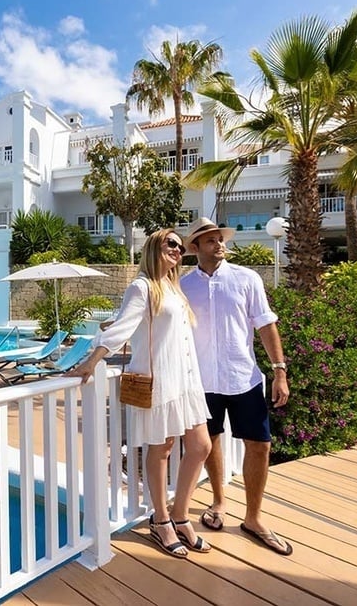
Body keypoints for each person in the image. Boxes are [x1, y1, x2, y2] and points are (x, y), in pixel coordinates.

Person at [71, 228, 212, 559]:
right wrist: (91, 361)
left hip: (187, 382)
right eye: (171, 244)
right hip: (160, 380)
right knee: (161, 450)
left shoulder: (174, 289)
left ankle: (179, 513)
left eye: (181, 247)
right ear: (154, 248)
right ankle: (161, 520)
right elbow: (122, 327)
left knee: (201, 446)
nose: (178, 250)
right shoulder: (143, 287)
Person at [180, 217, 293, 555]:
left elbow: (265, 324)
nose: (219, 244)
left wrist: (280, 371)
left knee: (260, 446)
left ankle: (254, 518)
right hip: (202, 382)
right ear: (196, 248)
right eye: (210, 240)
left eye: (220, 238)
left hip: (244, 379)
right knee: (209, 443)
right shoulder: (185, 287)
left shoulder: (247, 279)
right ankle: (217, 502)